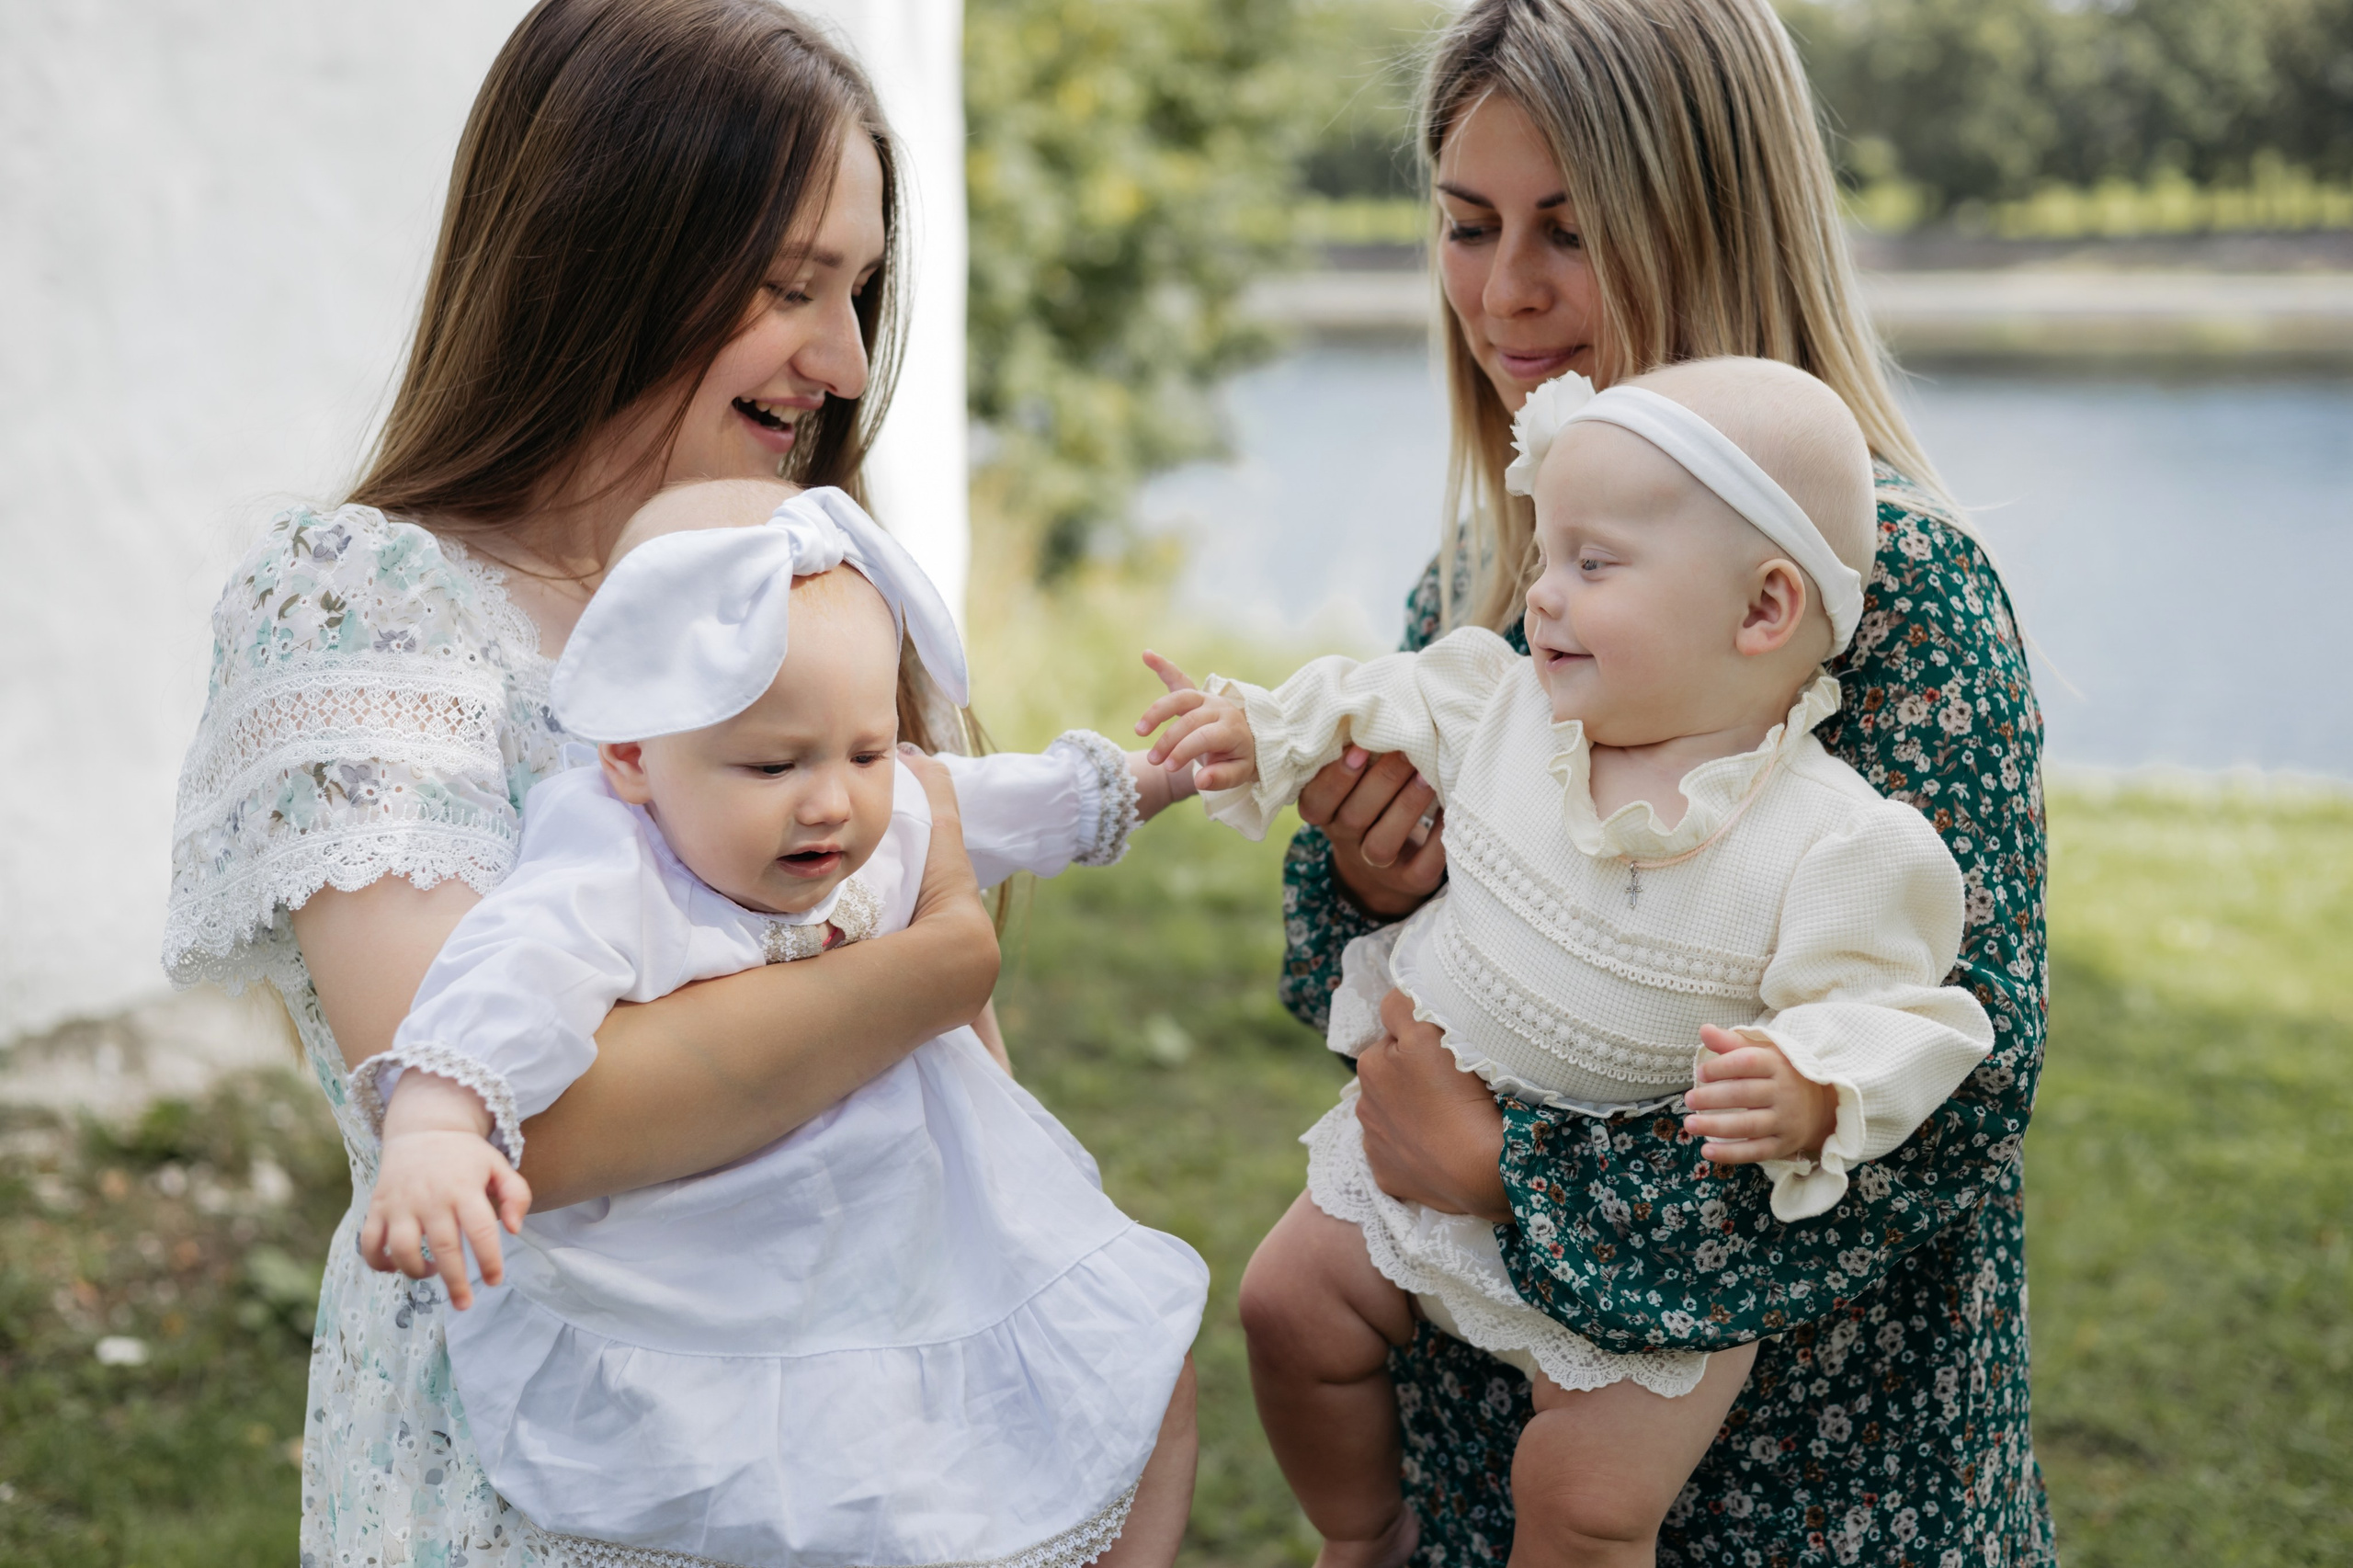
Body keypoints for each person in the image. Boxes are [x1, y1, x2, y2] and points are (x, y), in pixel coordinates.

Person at [163, 4, 1198, 1563]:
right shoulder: (365, 607)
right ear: (603, 252)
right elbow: (542, 1120)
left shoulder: (797, 589)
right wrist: (936, 962)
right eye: (790, 286)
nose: (845, 361)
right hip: (545, 1467)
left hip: (868, 1431)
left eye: (856, 292)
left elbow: (954, 1085)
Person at [1272, 2, 2053, 1563]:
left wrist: (1512, 1178)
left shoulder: (1884, 587)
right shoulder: (1491, 572)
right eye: (1469, 225)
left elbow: (1958, 1085)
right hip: (1476, 1445)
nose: (1506, 290)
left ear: (1707, 222)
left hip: (1810, 1484)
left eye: (1569, 231)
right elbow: (1357, 977)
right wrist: (1367, 873)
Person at [1143, 358, 1992, 1568]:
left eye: (1592, 565)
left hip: (1635, 1249)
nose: (1540, 593)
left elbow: (1898, 1007)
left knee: (1586, 1505)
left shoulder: (1834, 839)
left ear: (1763, 610)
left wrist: (1814, 1088)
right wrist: (1267, 728)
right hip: (1409, 1166)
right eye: (1546, 555)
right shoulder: (1502, 706)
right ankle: (1362, 1532)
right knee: (1284, 1304)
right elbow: (1372, 700)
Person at [358, 480, 1205, 1568]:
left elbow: (1020, 797)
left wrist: (1163, 773)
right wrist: (434, 1126)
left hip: (917, 1227)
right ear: (632, 754)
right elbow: (503, 979)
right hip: (712, 1264)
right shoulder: (609, 865)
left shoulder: (890, 806)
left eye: (866, 750)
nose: (832, 801)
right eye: (772, 764)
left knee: (1122, 1367)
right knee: (788, 1490)